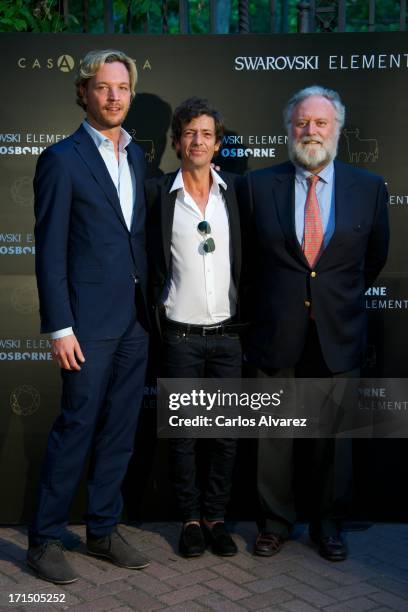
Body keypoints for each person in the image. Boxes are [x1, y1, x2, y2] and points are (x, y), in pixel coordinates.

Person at [239, 85, 389, 561]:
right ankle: (275, 524)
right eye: (302, 122)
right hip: (274, 330)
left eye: (320, 123)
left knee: (333, 441)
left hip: (338, 330)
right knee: (274, 437)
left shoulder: (369, 188)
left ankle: (329, 526)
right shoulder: (257, 187)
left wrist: (331, 298)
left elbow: (374, 259)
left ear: (337, 130)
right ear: (288, 129)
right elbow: (246, 261)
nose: (311, 131)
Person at [28, 49, 150, 584]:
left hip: (134, 323)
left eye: (122, 87)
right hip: (85, 327)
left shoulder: (138, 155)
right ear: (84, 92)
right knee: (75, 429)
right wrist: (60, 327)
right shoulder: (62, 158)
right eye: (103, 87)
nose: (114, 96)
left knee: (120, 431)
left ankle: (102, 529)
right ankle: (43, 539)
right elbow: (48, 250)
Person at [145, 97, 243, 558]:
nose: (198, 141)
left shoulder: (237, 194)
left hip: (227, 336)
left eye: (206, 133)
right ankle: (189, 519)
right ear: (176, 141)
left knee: (223, 433)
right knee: (183, 435)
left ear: (218, 143)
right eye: (189, 133)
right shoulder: (157, 195)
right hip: (180, 336)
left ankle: (216, 517)